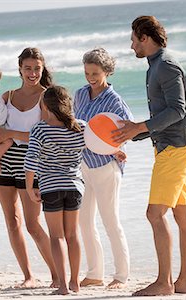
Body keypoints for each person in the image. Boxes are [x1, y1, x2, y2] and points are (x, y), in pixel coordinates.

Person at [112, 16, 186, 296]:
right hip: (174, 146)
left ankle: (164, 282)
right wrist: (135, 133)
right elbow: (166, 116)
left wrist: (140, 127)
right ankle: (183, 282)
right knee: (182, 215)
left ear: (145, 38)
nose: (131, 45)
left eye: (134, 39)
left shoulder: (166, 66)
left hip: (175, 149)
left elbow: (177, 111)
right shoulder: (156, 66)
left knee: (154, 213)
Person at [0, 47, 59, 288]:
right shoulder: (7, 96)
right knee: (12, 222)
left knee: (32, 224)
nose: (32, 73)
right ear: (19, 69)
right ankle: (28, 276)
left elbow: (47, 135)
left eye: (37, 68)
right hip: (5, 161)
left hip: (32, 163)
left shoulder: (46, 97)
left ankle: (57, 275)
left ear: (42, 68)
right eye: (27, 68)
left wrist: (10, 133)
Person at [73, 47, 132, 289]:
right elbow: (75, 125)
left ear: (107, 71)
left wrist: (115, 147)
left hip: (106, 166)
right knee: (84, 221)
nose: (90, 77)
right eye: (87, 72)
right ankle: (95, 273)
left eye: (95, 73)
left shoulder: (114, 100)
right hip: (83, 165)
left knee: (111, 221)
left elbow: (125, 130)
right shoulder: (79, 94)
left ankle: (121, 276)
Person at [25, 86, 86, 295]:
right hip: (75, 187)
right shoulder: (81, 127)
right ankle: (75, 282)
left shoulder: (40, 129)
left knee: (57, 237)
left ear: (45, 105)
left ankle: (62, 285)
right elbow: (100, 144)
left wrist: (29, 186)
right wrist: (116, 152)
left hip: (51, 187)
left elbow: (31, 160)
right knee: (73, 236)